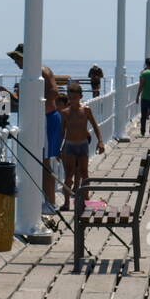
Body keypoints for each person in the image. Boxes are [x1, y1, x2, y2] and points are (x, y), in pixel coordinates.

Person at [6, 43, 67, 214]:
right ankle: (43, 199)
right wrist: (9, 94)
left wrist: (37, 107)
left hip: (46, 119)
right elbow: (21, 98)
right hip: (39, 120)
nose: (15, 62)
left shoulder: (41, 71)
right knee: (38, 160)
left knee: (45, 162)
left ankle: (50, 203)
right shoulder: (29, 74)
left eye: (17, 58)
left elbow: (54, 92)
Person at [59, 82, 105, 210]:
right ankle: (67, 202)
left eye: (74, 97)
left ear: (80, 96)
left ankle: (85, 199)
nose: (72, 100)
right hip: (70, 146)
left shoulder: (86, 110)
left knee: (84, 173)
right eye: (70, 97)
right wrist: (58, 149)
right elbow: (62, 133)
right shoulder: (65, 113)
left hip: (83, 144)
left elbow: (95, 126)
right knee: (69, 175)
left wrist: (100, 141)